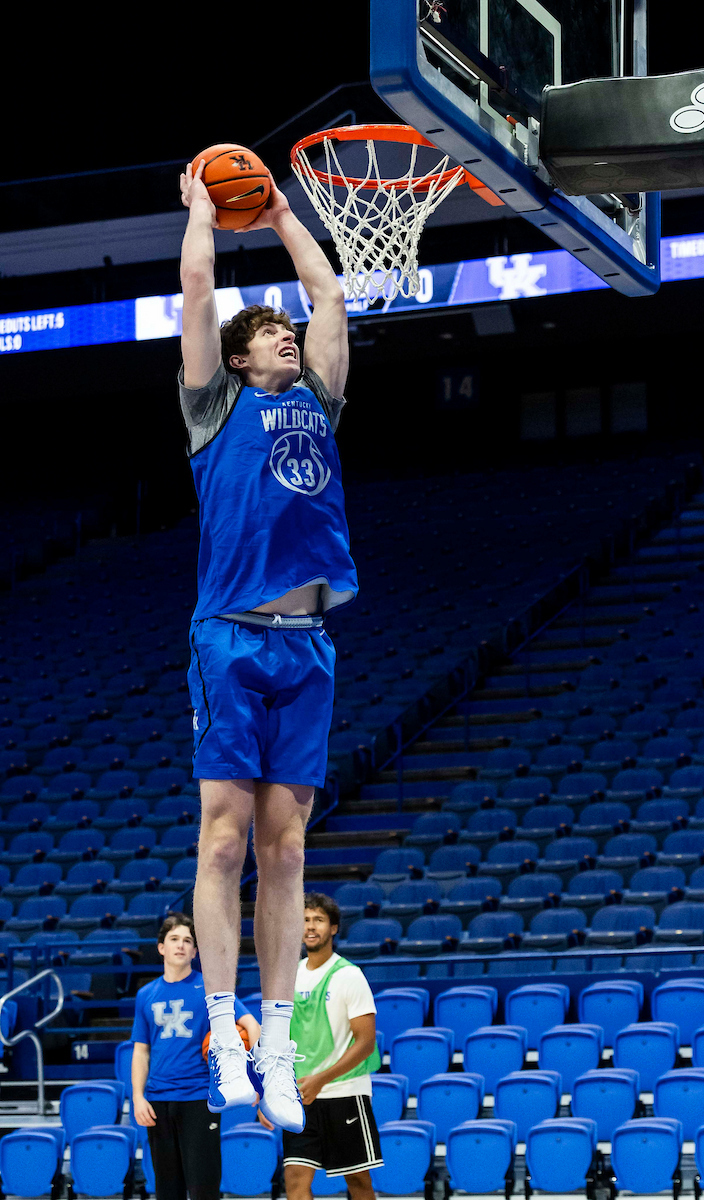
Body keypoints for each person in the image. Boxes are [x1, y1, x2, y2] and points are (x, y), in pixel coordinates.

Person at [177, 157, 357, 1130]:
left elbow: (328, 293)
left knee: (286, 854)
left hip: (306, 644)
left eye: (289, 331)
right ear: (241, 360)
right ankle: (224, 1035)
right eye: (270, 334)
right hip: (230, 640)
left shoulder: (318, 403)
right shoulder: (213, 406)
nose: (288, 333)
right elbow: (199, 287)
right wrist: (204, 209)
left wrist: (283, 212)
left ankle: (278, 1050)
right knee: (223, 838)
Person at [130, 913, 262, 1200]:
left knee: (204, 1189)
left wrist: (254, 1078)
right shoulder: (145, 995)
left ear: (195, 951)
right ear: (161, 947)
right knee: (167, 1191)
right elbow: (141, 1050)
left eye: (187, 941)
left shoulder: (211, 989)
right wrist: (138, 1097)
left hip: (199, 1098)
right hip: (158, 1100)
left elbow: (252, 1025)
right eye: (174, 939)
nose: (180, 945)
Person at [277, 893, 383, 1200]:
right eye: (305, 920)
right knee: (295, 1180)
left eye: (319, 920)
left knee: (358, 1182)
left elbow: (366, 1042)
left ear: (333, 928)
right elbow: (279, 1040)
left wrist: (321, 1079)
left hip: (345, 1092)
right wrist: (273, 1090)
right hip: (301, 1095)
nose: (310, 927)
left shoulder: (349, 975)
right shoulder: (288, 975)